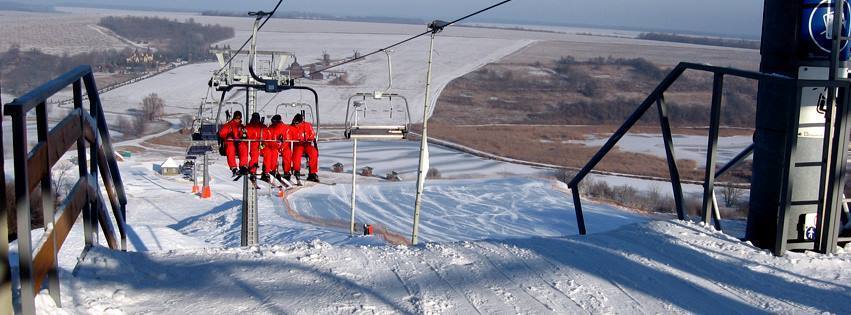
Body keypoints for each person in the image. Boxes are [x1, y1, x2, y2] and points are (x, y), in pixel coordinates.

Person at [261, 114, 291, 182]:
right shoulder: (270, 129)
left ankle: (284, 171)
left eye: (274, 122)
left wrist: (281, 147)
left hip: (280, 147)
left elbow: (287, 140)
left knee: (285, 154)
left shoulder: (285, 128)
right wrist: (263, 146)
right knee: (269, 154)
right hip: (271, 146)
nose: (273, 123)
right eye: (272, 122)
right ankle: (267, 171)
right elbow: (265, 140)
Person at [218, 111, 248, 176]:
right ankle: (233, 167)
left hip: (239, 142)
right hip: (230, 142)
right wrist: (228, 134)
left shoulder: (241, 126)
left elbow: (245, 134)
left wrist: (244, 135)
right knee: (230, 147)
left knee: (244, 146)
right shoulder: (228, 125)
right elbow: (221, 134)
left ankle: (243, 165)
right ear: (234, 118)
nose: (237, 120)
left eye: (239, 118)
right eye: (236, 118)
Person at [290, 113, 319, 182]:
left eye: (297, 123)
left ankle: (312, 173)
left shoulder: (307, 125)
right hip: (297, 144)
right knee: (297, 154)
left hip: (307, 144)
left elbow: (312, 134)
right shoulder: (291, 127)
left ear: (301, 122)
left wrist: (310, 138)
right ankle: (296, 170)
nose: (296, 124)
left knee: (313, 152)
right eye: (295, 122)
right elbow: (288, 136)